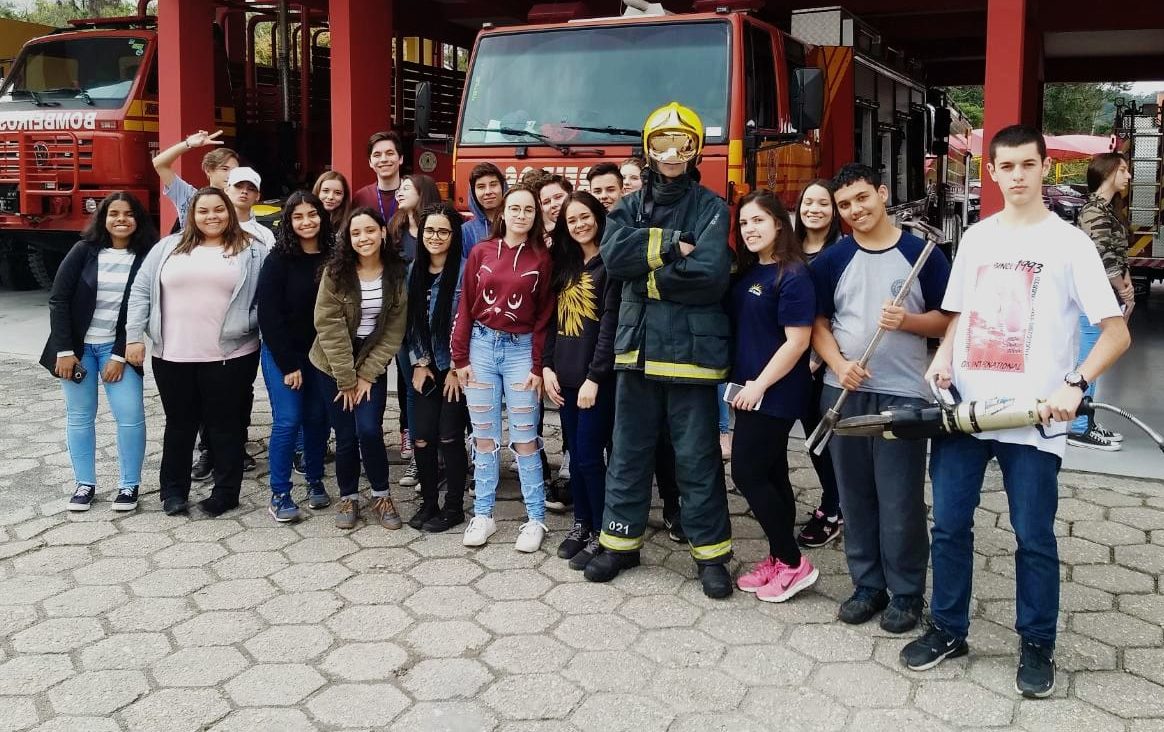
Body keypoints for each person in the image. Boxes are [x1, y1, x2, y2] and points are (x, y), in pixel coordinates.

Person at [900, 125, 1131, 698]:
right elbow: (956, 312)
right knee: (950, 525)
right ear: (994, 172)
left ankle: (1037, 644)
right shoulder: (977, 238)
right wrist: (944, 359)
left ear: (1044, 168)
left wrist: (1076, 384)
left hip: (1034, 416)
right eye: (1007, 167)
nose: (1018, 176)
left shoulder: (1070, 243)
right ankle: (949, 629)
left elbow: (1116, 333)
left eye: (1029, 165)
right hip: (966, 411)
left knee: (1034, 536)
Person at [589, 102, 735, 599]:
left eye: (682, 143)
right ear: (648, 149)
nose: (672, 153)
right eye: (662, 143)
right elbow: (613, 255)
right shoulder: (626, 207)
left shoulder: (714, 206)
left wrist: (646, 276)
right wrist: (675, 244)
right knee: (628, 454)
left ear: (696, 148)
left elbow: (712, 275)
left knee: (697, 459)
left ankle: (711, 554)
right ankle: (619, 544)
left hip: (691, 357)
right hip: (638, 354)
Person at [810, 163, 950, 632]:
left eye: (862, 199)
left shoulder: (922, 253)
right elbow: (818, 325)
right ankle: (867, 585)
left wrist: (909, 322)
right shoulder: (832, 259)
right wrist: (837, 364)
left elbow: (949, 320)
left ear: (882, 193)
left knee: (900, 500)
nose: (855, 210)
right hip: (844, 393)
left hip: (903, 392)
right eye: (845, 205)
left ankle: (907, 593)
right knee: (855, 496)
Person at [126, 188, 268, 517]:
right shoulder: (167, 247)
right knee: (179, 425)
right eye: (203, 210)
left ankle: (226, 492)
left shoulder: (252, 250)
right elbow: (141, 291)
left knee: (225, 426)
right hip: (172, 355)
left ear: (230, 212)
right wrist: (134, 336)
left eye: (219, 209)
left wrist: (249, 322)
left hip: (231, 356)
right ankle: (173, 492)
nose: (212, 216)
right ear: (192, 214)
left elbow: (268, 297)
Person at [452, 185, 555, 552]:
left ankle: (536, 518)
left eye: (529, 209)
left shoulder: (543, 259)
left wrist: (540, 365)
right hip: (480, 346)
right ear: (503, 212)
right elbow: (465, 304)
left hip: (521, 350)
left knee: (526, 439)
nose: (521, 215)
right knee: (484, 440)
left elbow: (545, 316)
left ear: (535, 215)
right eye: (515, 208)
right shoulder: (480, 252)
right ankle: (483, 514)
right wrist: (459, 357)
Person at [728, 190, 819, 601]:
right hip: (749, 388)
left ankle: (793, 561)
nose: (750, 229)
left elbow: (797, 342)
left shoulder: (793, 274)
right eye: (744, 223)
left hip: (775, 391)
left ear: (779, 223)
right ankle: (781, 558)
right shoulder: (750, 272)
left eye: (758, 221)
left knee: (746, 473)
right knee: (773, 473)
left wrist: (760, 385)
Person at [42, 192, 156, 513]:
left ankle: (128, 485)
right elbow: (59, 300)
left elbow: (142, 308)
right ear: (103, 218)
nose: (121, 219)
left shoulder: (145, 257)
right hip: (76, 351)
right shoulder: (84, 251)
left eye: (129, 214)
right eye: (114, 213)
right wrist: (64, 350)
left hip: (116, 349)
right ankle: (84, 484)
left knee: (131, 416)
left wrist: (119, 355)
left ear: (138, 219)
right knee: (80, 417)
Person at [310, 208, 408, 530]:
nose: (363, 238)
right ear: (347, 238)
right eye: (355, 233)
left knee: (369, 429)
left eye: (369, 231)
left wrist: (366, 375)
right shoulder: (336, 272)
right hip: (332, 363)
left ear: (382, 232)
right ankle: (349, 496)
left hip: (371, 361)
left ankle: (381, 494)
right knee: (347, 434)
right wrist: (346, 379)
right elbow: (328, 325)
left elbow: (394, 329)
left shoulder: (396, 273)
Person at [543, 191, 620, 569]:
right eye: (571, 220)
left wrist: (594, 377)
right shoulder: (566, 263)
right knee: (575, 455)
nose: (579, 225)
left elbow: (610, 327)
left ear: (598, 217)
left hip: (596, 382)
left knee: (591, 457)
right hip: (565, 377)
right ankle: (581, 524)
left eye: (584, 216)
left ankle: (604, 533)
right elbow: (553, 323)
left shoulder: (610, 264)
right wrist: (546, 367)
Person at [257, 191, 334, 522]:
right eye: (298, 216)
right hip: (283, 354)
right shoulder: (278, 259)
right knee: (289, 420)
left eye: (312, 214)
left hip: (322, 356)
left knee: (318, 419)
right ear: (288, 222)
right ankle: (280, 493)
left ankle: (315, 481)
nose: (307, 222)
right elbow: (268, 315)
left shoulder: (334, 255)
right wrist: (288, 364)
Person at [405, 202, 469, 533]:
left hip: (456, 367)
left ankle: (454, 507)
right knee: (422, 438)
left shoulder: (465, 270)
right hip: (425, 366)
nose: (435, 236)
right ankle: (429, 501)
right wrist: (420, 361)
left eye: (443, 231)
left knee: (449, 436)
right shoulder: (413, 270)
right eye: (430, 230)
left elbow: (468, 321)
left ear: (454, 235)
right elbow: (410, 322)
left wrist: (457, 366)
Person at [1067, 152, 1134, 451]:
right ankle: (1079, 425)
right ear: (1107, 172)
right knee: (1091, 359)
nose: (1128, 176)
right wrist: (1123, 288)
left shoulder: (1108, 210)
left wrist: (1126, 280)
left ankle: (1086, 420)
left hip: (1107, 292)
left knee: (1096, 357)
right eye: (1123, 170)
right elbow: (1102, 258)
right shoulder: (1093, 211)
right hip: (1094, 295)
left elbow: (1117, 254)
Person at [793, 179, 844, 548]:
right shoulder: (789, 249)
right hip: (787, 362)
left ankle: (833, 508)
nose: (814, 209)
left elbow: (842, 315)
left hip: (821, 366)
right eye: (808, 202)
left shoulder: (842, 251)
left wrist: (815, 359)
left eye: (822, 203)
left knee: (820, 440)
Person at [152, 129, 238, 228]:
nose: (230, 175)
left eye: (235, 170)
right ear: (208, 170)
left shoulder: (241, 200)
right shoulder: (189, 196)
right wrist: (188, 143)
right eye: (224, 169)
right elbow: (159, 164)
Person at [352, 130, 404, 221]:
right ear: (370, 162)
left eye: (390, 153)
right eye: (377, 155)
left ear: (400, 159)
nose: (383, 159)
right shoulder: (361, 197)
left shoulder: (415, 193)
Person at [461, 162, 508, 256]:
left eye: (493, 184)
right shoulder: (467, 231)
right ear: (473, 193)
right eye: (481, 187)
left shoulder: (516, 223)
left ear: (503, 187)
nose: (488, 192)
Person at [226, 167, 277, 250]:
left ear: (258, 196)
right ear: (226, 190)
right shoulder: (215, 227)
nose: (244, 191)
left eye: (251, 189)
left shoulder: (265, 234)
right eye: (238, 186)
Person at [313, 170, 352, 235]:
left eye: (337, 193)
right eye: (325, 191)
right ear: (317, 192)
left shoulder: (351, 223)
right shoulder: (307, 221)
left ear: (344, 196)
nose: (330, 197)